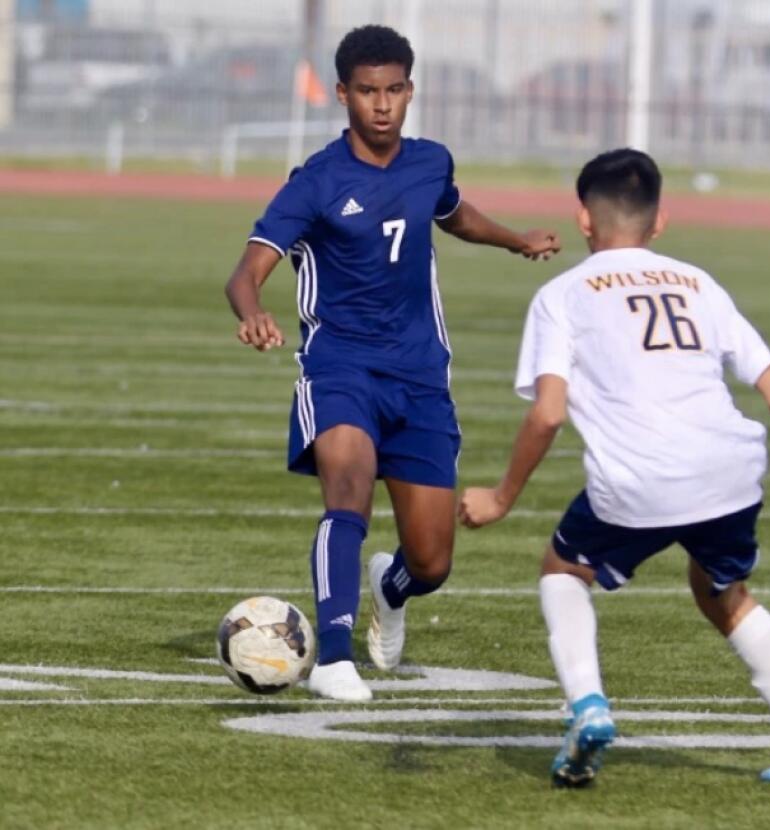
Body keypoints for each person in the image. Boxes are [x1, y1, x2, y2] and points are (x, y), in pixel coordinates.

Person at [457, 149, 770, 792]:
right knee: (725, 596)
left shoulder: (561, 294)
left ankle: (587, 707)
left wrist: (501, 497)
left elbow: (547, 415)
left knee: (564, 568)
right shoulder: (699, 283)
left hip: (640, 478)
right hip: (731, 470)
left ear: (584, 221)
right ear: (660, 222)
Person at [223, 25, 560, 701]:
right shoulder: (315, 182)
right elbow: (246, 270)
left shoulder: (430, 161)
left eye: (395, 90)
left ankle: (390, 586)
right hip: (339, 367)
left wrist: (515, 240)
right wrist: (252, 311)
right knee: (347, 492)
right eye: (368, 92)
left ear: (410, 91)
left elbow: (453, 214)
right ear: (344, 94)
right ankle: (334, 658)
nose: (382, 105)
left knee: (431, 562)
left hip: (421, 376)